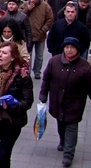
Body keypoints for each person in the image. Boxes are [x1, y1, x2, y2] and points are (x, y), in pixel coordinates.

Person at [39, 37, 91, 167]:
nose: (69, 50)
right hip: (57, 101)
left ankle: (69, 154)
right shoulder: (54, 62)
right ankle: (62, 141)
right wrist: (43, 94)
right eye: (67, 47)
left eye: (72, 47)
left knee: (71, 126)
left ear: (77, 49)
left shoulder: (85, 67)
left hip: (75, 103)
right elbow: (46, 79)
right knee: (61, 124)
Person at [20, 0, 53, 79]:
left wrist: (43, 30)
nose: (32, 0)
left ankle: (37, 71)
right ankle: (27, 71)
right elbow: (19, 16)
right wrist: (28, 9)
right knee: (27, 56)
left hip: (40, 35)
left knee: (39, 56)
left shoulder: (45, 6)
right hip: (28, 36)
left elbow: (50, 19)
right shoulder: (25, 4)